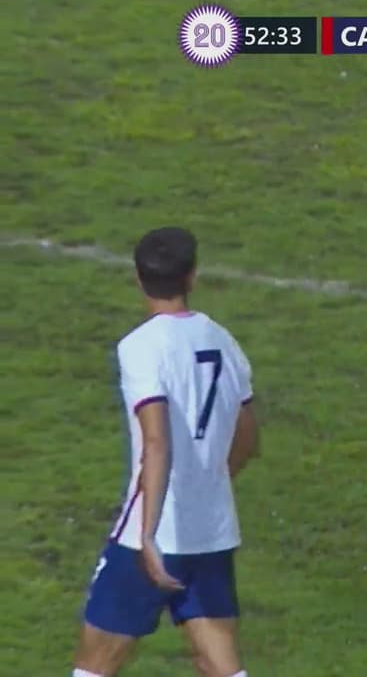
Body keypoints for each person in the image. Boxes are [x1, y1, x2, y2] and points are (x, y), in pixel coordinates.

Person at [73, 227, 260, 677]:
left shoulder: (140, 347)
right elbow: (248, 436)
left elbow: (156, 441)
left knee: (95, 665)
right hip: (210, 531)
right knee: (219, 665)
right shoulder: (224, 341)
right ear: (192, 276)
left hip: (152, 536)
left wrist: (150, 534)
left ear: (138, 278)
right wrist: (209, 483)